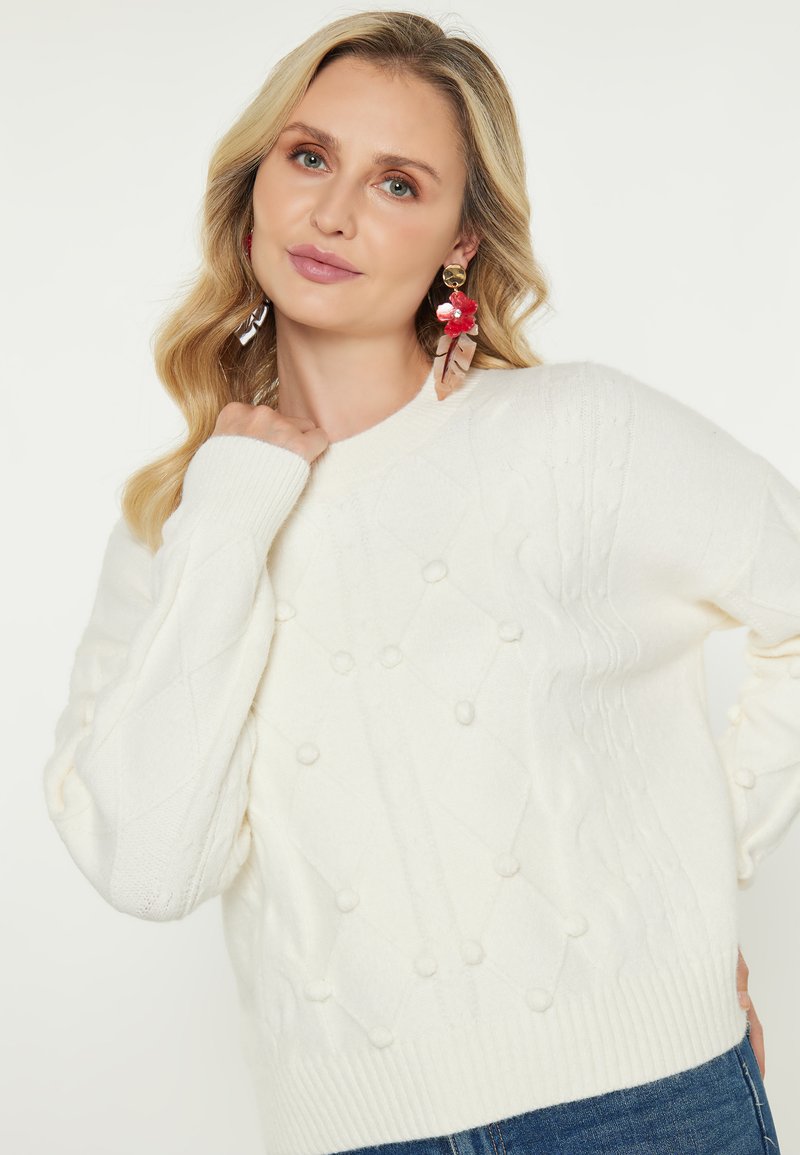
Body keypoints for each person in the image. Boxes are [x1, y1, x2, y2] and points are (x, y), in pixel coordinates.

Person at [42, 10, 797, 1155]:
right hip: (356, 1134)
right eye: (308, 157)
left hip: (644, 1099)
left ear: (459, 241)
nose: (333, 212)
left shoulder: (573, 435)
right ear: (253, 190)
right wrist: (232, 508)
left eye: (397, 183)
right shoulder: (177, 531)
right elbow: (149, 869)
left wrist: (690, 878)